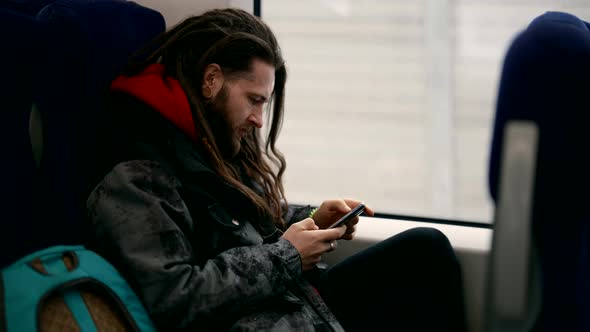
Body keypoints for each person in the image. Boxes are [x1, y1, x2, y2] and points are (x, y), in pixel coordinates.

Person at [86, 8, 466, 332]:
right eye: (254, 100)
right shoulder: (137, 176)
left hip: (287, 307)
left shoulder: (210, 145)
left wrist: (312, 219)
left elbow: (241, 225)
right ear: (211, 80)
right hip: (255, 320)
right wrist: (287, 256)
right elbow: (173, 300)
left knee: (424, 251)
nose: (257, 119)